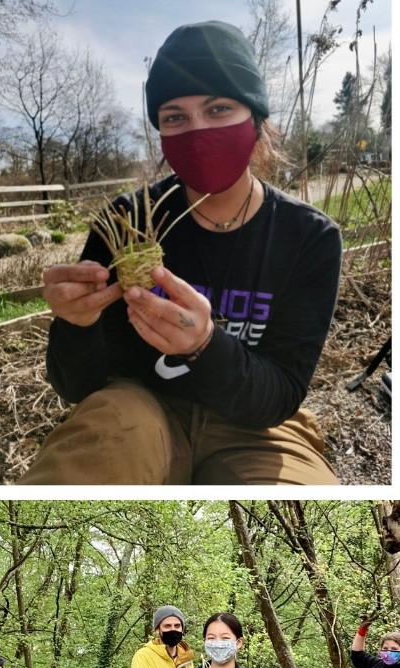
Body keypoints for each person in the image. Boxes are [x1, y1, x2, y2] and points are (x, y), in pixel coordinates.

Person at [25, 21, 342, 485]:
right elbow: (78, 388)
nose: (198, 131)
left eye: (218, 109)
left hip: (256, 427)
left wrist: (205, 347)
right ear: (160, 131)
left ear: (255, 120)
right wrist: (75, 323)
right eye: (175, 116)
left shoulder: (307, 237)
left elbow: (279, 395)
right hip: (137, 407)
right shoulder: (127, 223)